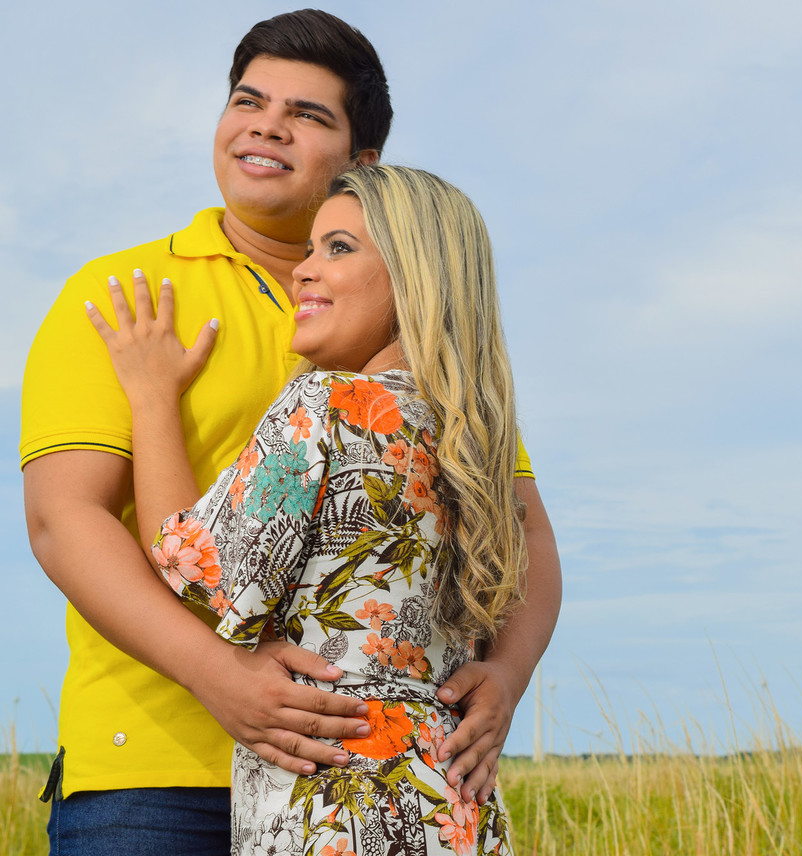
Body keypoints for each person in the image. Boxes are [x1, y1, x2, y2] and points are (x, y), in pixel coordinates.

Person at [21, 10, 560, 854]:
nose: (267, 124)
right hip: (159, 775)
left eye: (308, 114)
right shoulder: (124, 292)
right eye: (248, 99)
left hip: (349, 781)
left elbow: (519, 529)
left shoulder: (432, 367)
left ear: (364, 164)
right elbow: (63, 521)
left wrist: (507, 676)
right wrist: (218, 675)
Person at [87, 164, 523, 855]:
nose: (303, 271)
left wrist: (150, 394)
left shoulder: (325, 405)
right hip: (455, 802)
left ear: (416, 275)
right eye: (310, 249)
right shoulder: (474, 441)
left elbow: (190, 561)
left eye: (338, 249)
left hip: (335, 798)